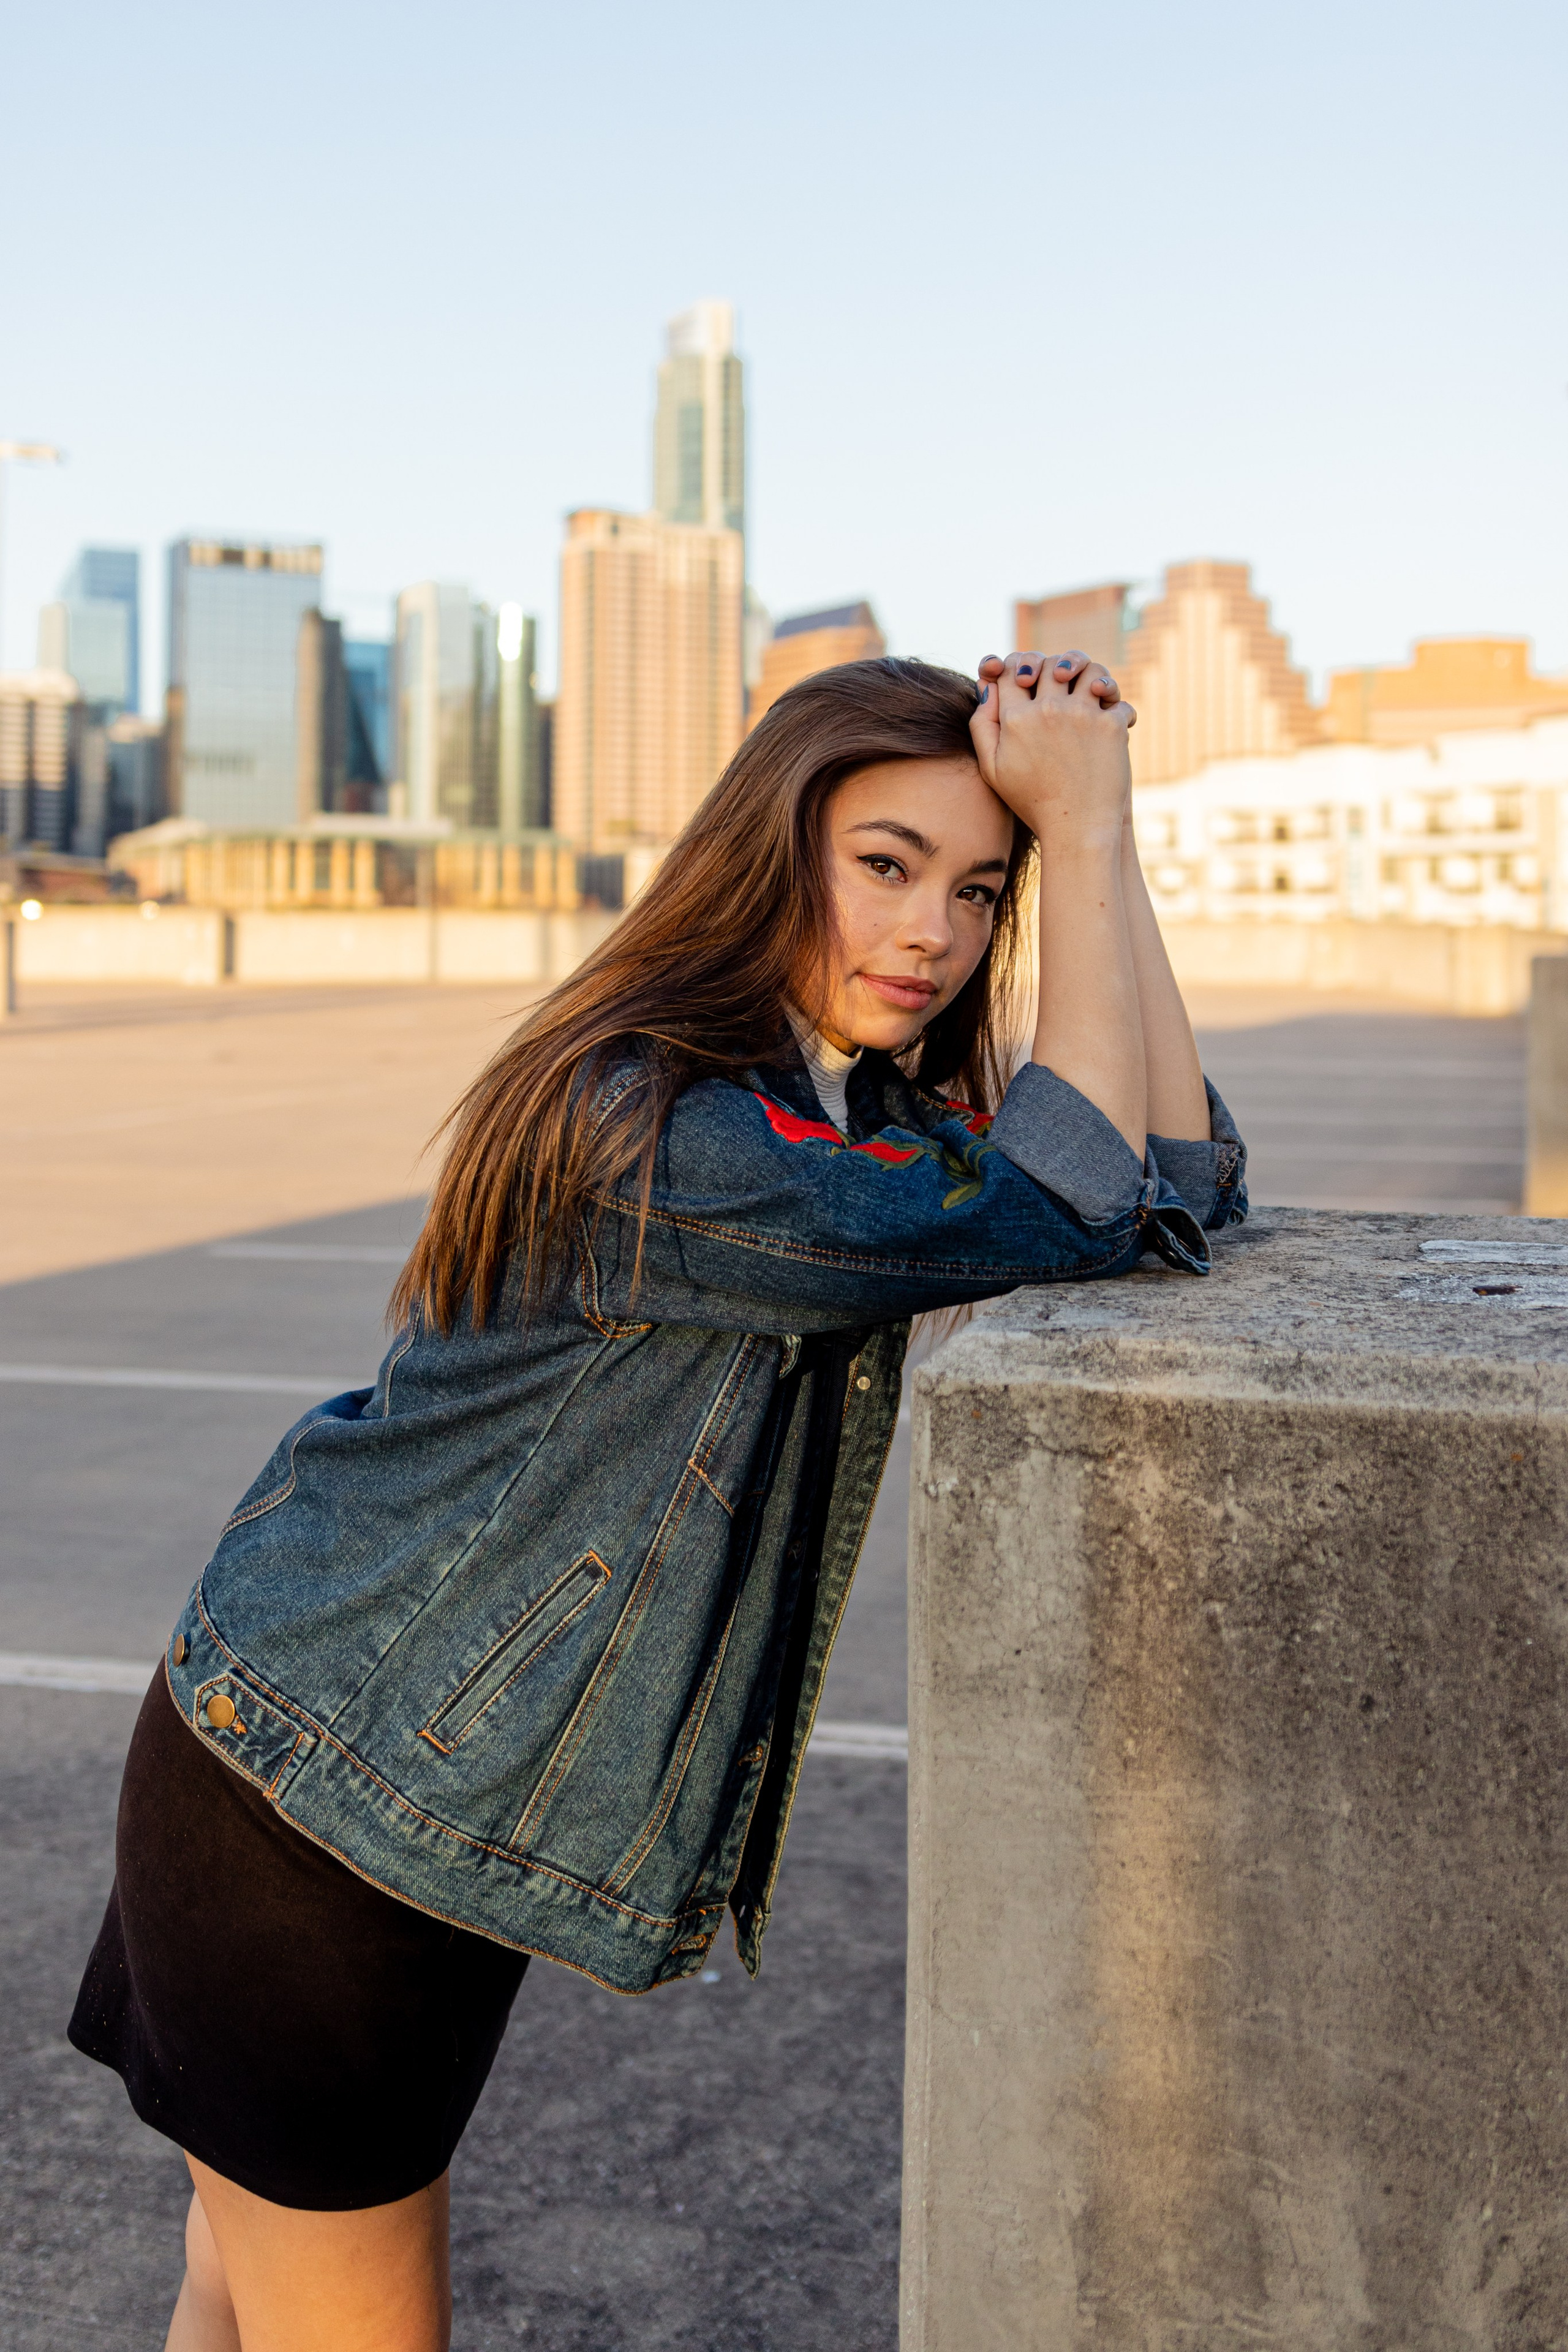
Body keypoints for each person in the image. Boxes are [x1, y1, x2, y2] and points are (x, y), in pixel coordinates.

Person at [69, 649, 1246, 2351]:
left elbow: (1178, 1185)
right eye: (888, 866)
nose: (937, 934)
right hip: (308, 1823)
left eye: (985, 891)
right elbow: (1071, 1207)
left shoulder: (855, 1112)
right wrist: (1083, 817)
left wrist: (1101, 848)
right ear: (774, 850)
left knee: (234, 2289)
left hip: (379, 1787)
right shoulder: (670, 1133)